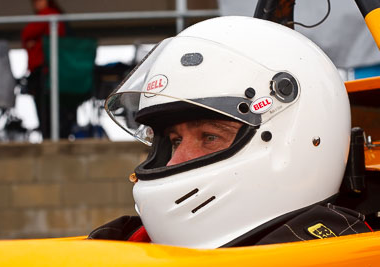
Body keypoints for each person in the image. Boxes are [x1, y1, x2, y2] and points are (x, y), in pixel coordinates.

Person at [88, 16, 373, 248]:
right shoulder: (124, 243)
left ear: (294, 143)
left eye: (210, 137)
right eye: (174, 141)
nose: (174, 161)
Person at [21, 0, 71, 139]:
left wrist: (34, 41)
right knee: (48, 110)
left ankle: (50, 138)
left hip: (45, 71)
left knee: (46, 109)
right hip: (44, 71)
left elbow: (26, 33)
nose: (36, 3)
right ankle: (52, 137)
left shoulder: (49, 15)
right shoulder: (51, 16)